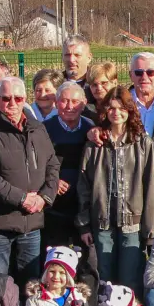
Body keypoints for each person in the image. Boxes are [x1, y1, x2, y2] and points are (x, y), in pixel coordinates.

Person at [0, 76, 60, 286]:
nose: (12, 103)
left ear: (25, 99)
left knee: (31, 285)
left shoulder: (37, 128)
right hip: (0, 223)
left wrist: (44, 197)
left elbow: (53, 165)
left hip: (31, 223)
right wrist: (21, 199)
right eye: (6, 98)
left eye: (18, 98)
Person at [78, 85, 154, 290]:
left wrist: (151, 230)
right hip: (102, 222)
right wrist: (83, 224)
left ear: (130, 110)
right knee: (104, 278)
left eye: (122, 108)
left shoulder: (142, 143)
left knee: (129, 279)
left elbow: (151, 186)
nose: (116, 113)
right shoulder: (94, 144)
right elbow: (84, 186)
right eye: (111, 108)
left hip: (132, 224)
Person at [43, 81, 94, 248]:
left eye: (75, 101)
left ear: (84, 103)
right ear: (56, 103)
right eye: (64, 101)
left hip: (84, 207)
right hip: (55, 208)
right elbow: (35, 164)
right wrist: (52, 181)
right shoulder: (44, 130)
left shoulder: (91, 129)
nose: (70, 106)